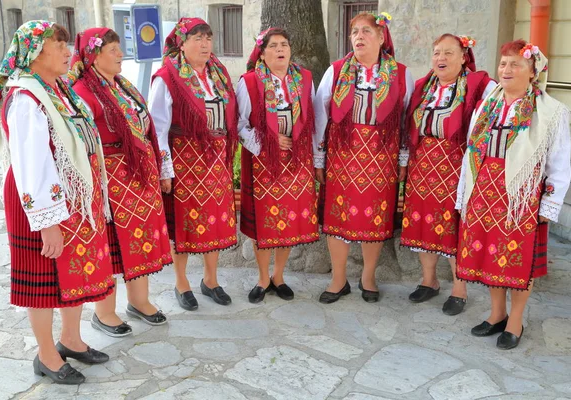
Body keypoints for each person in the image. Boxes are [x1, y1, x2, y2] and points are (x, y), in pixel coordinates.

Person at [0, 21, 114, 384]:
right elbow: (32, 162)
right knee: (42, 282)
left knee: (73, 274)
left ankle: (71, 339)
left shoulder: (58, 89)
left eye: (66, 44)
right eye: (57, 44)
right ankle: (46, 356)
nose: (67, 51)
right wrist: (47, 221)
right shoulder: (27, 98)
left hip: (71, 201)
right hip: (38, 202)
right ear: (33, 52)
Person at [456, 40, 571, 349]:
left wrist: (550, 203)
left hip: (521, 199)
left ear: (533, 72)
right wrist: (464, 192)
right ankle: (496, 314)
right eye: (503, 63)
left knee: (518, 262)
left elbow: (559, 164)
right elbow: (471, 151)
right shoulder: (487, 105)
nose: (506, 70)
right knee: (490, 257)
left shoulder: (550, 112)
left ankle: (516, 320)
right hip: (484, 192)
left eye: (515, 64)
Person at [69, 28, 172, 336]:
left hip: (137, 173)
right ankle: (104, 312)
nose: (120, 55)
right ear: (93, 55)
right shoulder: (82, 91)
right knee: (112, 243)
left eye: (119, 48)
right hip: (109, 177)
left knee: (141, 237)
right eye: (112, 49)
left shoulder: (122, 85)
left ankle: (139, 301)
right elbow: (82, 140)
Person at [313, 12, 413, 303]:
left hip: (382, 159)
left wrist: (404, 157)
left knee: (375, 219)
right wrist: (319, 158)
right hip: (343, 158)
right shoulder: (336, 71)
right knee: (337, 219)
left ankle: (368, 277)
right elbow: (321, 116)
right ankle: (338, 279)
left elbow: (408, 119)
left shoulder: (401, 74)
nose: (358, 36)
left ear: (382, 37)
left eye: (366, 31)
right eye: (354, 31)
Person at [400, 34, 496, 315]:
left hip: (456, 165)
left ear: (464, 56)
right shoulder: (422, 87)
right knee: (422, 223)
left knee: (454, 227)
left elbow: (489, 126)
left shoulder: (481, 86)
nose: (440, 58)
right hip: (422, 165)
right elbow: (410, 127)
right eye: (437, 53)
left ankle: (459, 288)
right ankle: (429, 281)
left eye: (448, 53)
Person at [150, 18, 239, 310]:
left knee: (214, 221)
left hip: (216, 160)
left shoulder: (219, 74)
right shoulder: (167, 77)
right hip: (185, 160)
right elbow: (158, 128)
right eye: (197, 38)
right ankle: (181, 282)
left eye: (208, 38)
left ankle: (211, 280)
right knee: (185, 223)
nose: (204, 44)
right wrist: (164, 169)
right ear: (182, 43)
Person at [237, 28, 319, 303]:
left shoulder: (304, 79)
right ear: (262, 52)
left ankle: (279, 276)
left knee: (287, 223)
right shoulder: (249, 82)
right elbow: (239, 126)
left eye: (284, 44)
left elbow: (313, 118)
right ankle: (262, 278)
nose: (281, 50)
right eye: (274, 46)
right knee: (265, 224)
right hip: (264, 163)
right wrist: (268, 143)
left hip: (296, 162)